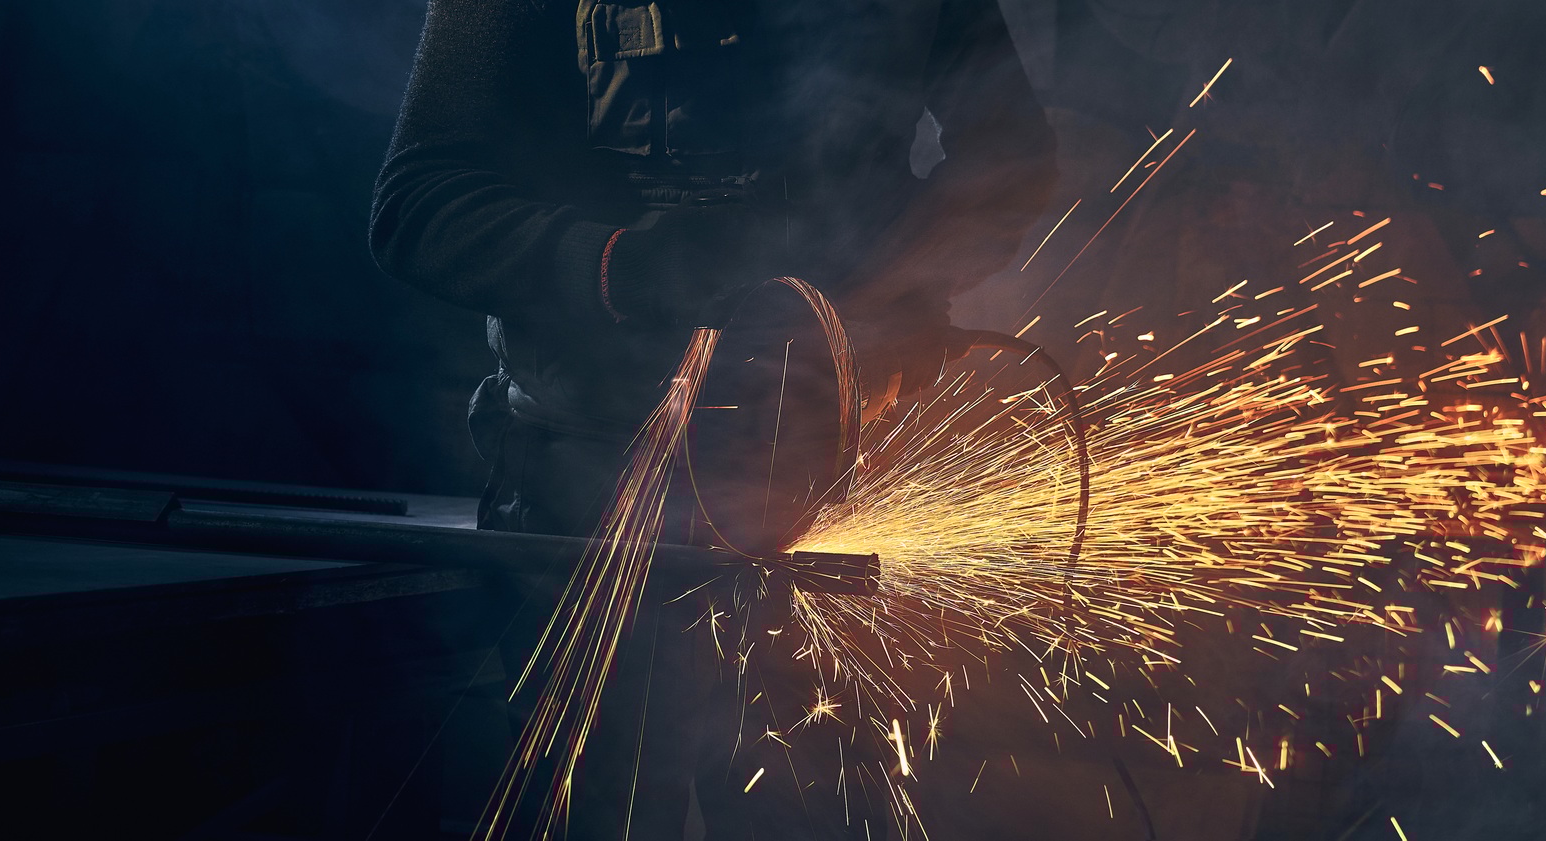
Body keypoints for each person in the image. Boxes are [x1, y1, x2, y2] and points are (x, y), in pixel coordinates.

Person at [368, 1, 1055, 837]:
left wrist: (900, 282)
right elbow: (415, 203)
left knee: (815, 812)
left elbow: (1011, 158)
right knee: (600, 813)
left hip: (824, 476)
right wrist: (622, 267)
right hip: (590, 485)